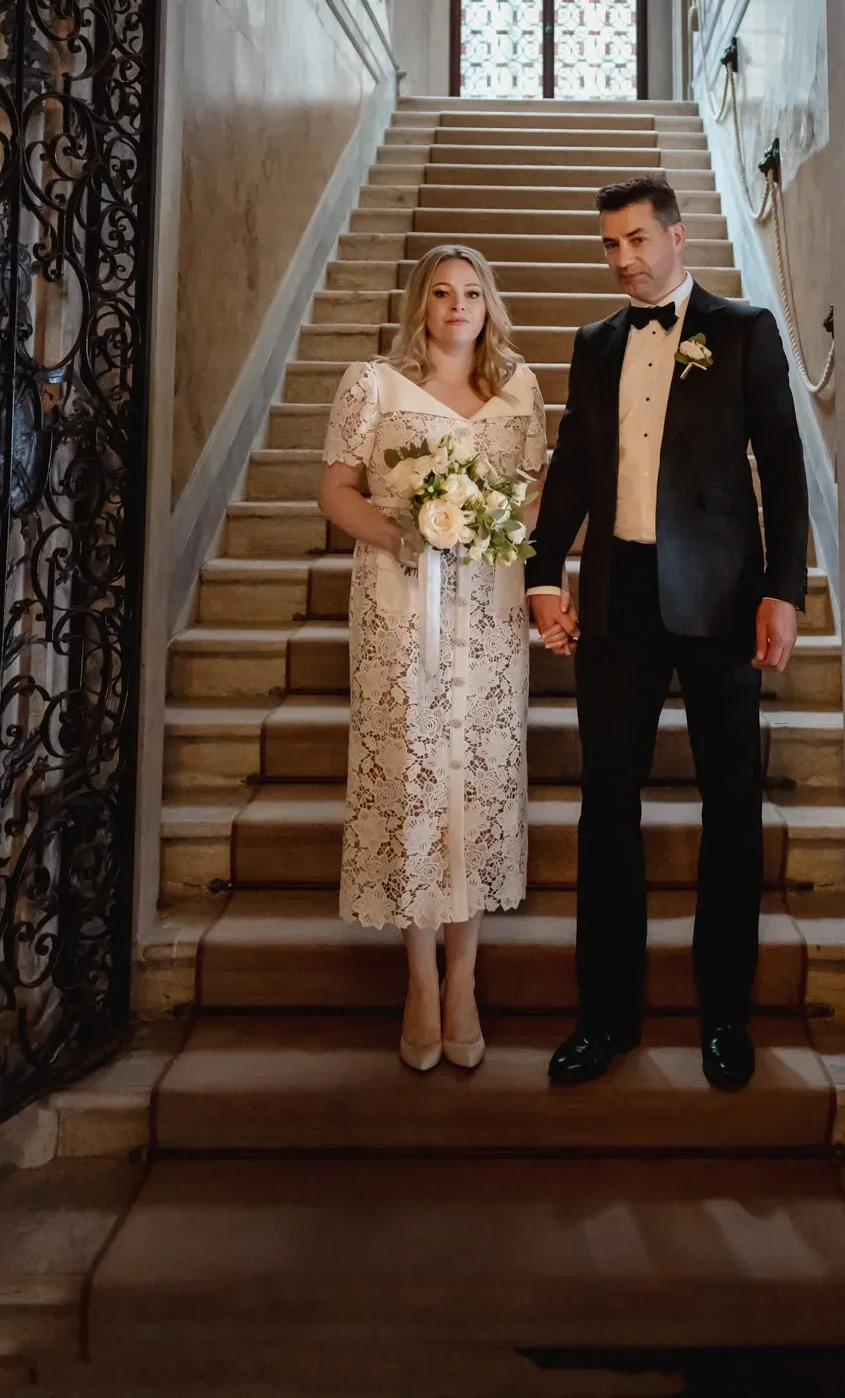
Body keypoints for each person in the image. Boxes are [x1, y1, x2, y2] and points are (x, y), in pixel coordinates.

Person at [526, 175, 807, 1093]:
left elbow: (784, 466)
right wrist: (541, 573)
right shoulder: (595, 343)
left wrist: (784, 591)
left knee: (732, 803)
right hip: (619, 598)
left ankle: (724, 1016)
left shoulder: (744, 330)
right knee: (607, 803)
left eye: (637, 240)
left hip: (722, 600)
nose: (623, 260)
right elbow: (573, 466)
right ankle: (603, 1018)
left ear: (677, 237)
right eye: (610, 245)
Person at [320, 244, 546, 1074]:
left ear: (489, 306)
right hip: (399, 604)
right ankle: (420, 980)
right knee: (413, 781)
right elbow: (336, 490)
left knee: (475, 783)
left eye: (473, 293)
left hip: (488, 609)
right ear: (421, 303)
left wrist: (491, 528)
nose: (458, 305)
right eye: (443, 292)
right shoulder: (371, 385)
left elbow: (535, 491)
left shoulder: (520, 389)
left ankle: (464, 982)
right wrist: (406, 534)